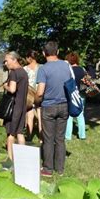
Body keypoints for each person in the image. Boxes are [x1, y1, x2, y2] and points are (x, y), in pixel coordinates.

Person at [35, 41, 71, 177]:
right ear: (58, 51)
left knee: (48, 138)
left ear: (44, 53)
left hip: (48, 106)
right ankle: (60, 168)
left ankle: (48, 169)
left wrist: (37, 103)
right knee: (60, 139)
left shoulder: (43, 69)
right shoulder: (66, 66)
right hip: (64, 105)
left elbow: (39, 92)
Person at [3, 51, 28, 160]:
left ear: (14, 59)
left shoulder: (14, 73)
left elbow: (12, 89)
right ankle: (22, 157)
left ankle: (11, 159)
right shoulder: (23, 72)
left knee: (11, 134)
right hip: (22, 107)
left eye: (6, 60)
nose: (5, 63)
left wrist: (5, 86)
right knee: (20, 133)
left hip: (13, 108)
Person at [65, 52, 87, 140]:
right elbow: (86, 84)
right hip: (81, 94)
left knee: (69, 115)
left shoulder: (67, 70)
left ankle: (67, 136)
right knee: (80, 114)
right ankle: (82, 135)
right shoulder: (83, 69)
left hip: (70, 94)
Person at [23, 50, 42, 141]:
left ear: (29, 58)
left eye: (26, 58)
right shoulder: (42, 67)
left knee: (29, 116)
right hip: (40, 93)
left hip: (29, 95)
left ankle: (29, 136)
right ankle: (41, 138)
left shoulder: (25, 69)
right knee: (40, 117)